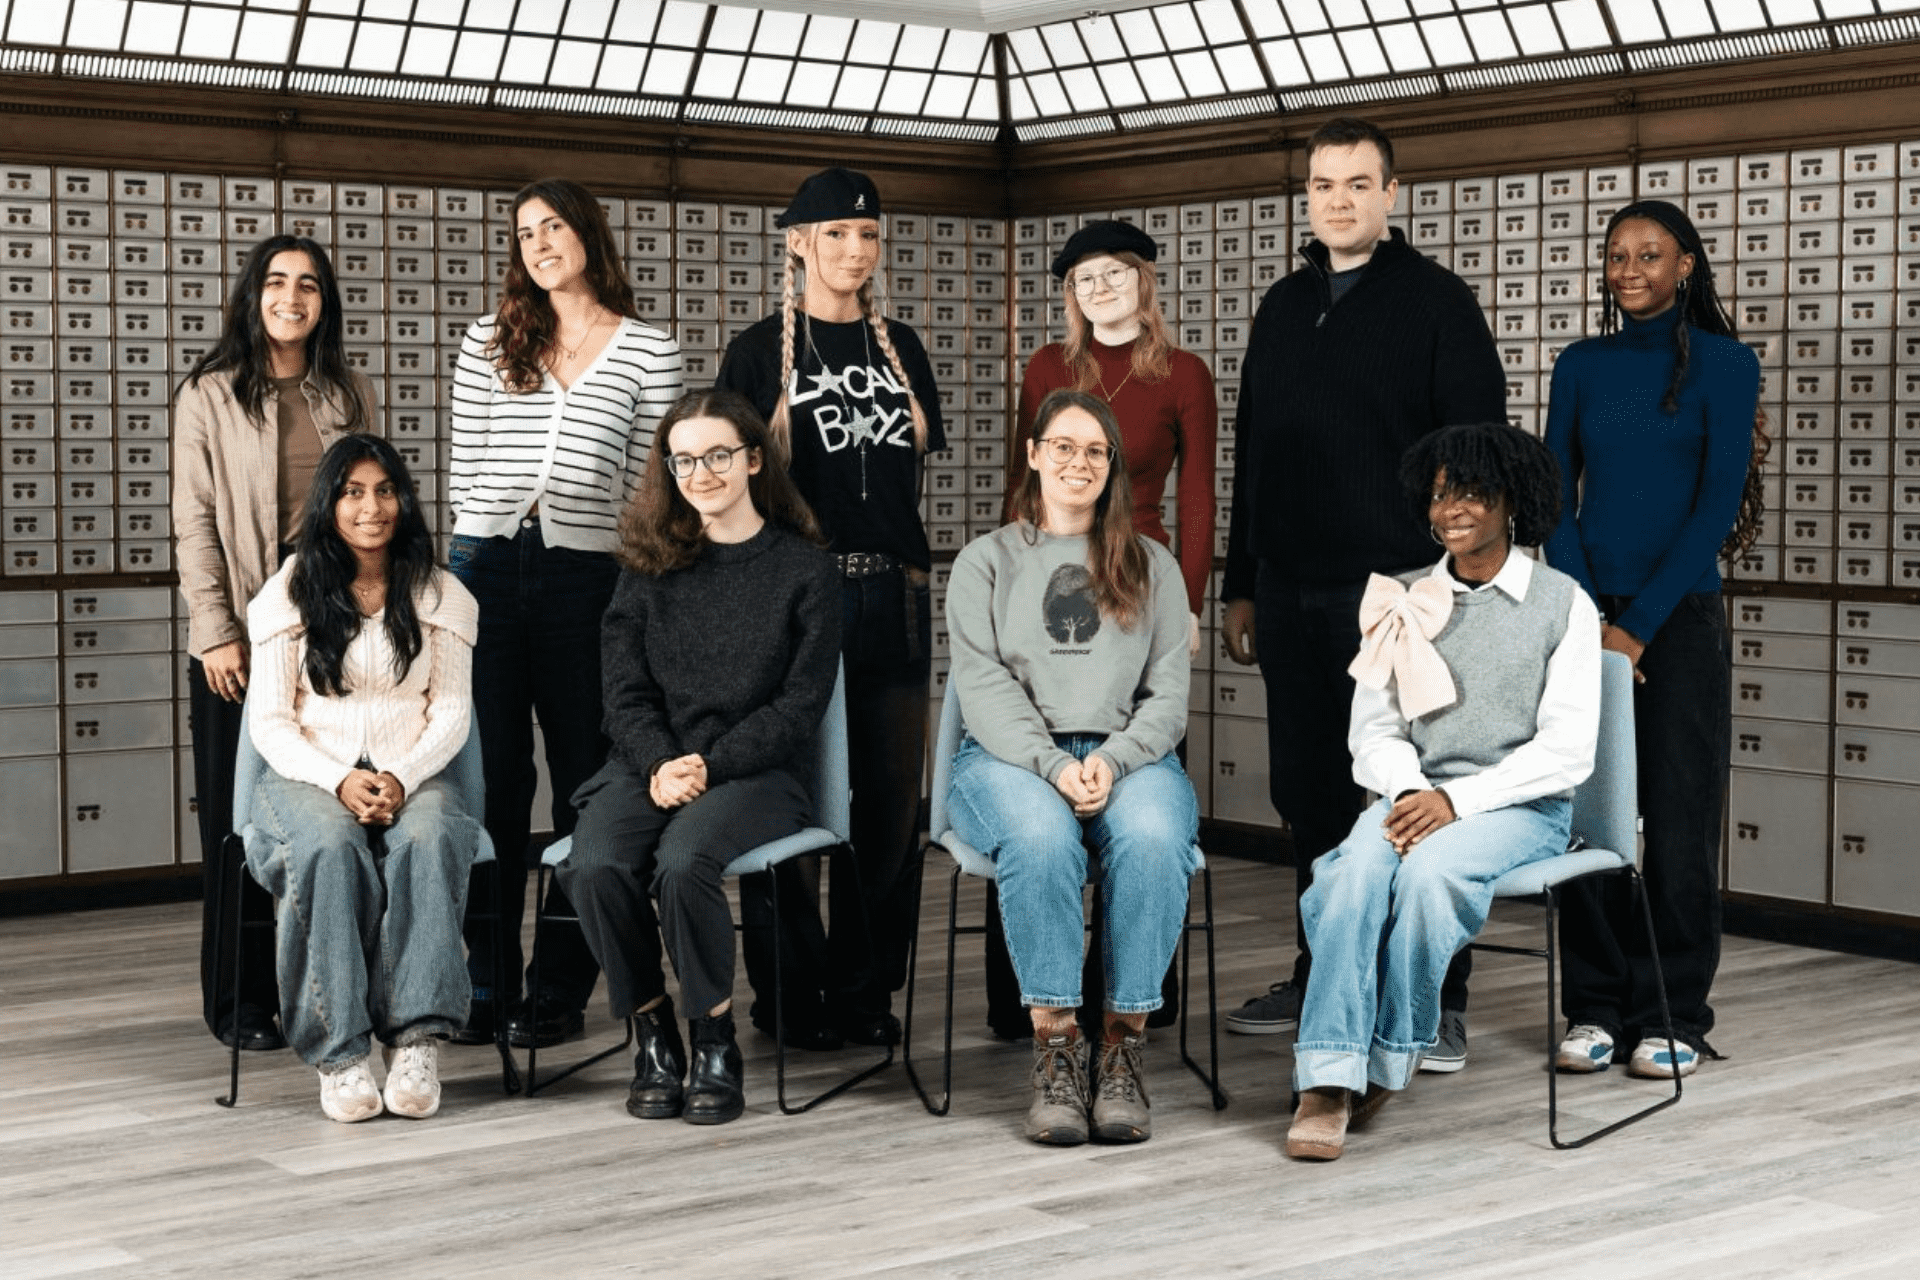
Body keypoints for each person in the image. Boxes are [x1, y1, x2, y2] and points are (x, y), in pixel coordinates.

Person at [1221, 116, 1505, 1070]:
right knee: (1308, 793)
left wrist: (1458, 587)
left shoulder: (1438, 305)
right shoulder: (1280, 305)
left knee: (1407, 790)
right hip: (1292, 593)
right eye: (1322, 185)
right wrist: (1241, 581)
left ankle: (1436, 995)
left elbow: (1475, 459)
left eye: (1357, 183)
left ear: (1392, 194)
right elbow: (1251, 453)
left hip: (1400, 596)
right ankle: (1321, 971)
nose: (1338, 200)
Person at [1286, 422, 1600, 1161]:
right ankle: (1328, 1076)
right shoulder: (1401, 598)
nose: (1452, 508)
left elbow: (1565, 752)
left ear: (1511, 499)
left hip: (1521, 810)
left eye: (1472, 491)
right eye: (1439, 494)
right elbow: (1375, 729)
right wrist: (1410, 790)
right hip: (1411, 794)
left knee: (1429, 876)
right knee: (1351, 874)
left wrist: (1457, 803)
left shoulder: (1564, 605)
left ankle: (1389, 1057)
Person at [557, 390, 840, 1126]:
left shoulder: (803, 570)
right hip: (649, 763)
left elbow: (798, 707)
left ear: (752, 459)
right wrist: (660, 763)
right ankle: (653, 1033)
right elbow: (622, 693)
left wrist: (709, 765)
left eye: (717, 455)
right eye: (683, 459)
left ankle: (713, 1035)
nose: (700, 472)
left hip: (758, 771)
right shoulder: (648, 564)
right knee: (592, 863)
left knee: (684, 863)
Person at [447, 178, 682, 1051]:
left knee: (587, 779)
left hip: (592, 578)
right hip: (486, 571)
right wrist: (464, 574)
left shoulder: (647, 350)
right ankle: (483, 981)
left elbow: (652, 486)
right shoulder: (487, 339)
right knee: (492, 782)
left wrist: (630, 580)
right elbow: (466, 465)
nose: (540, 242)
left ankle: (557, 986)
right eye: (525, 232)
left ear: (588, 234)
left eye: (554, 226)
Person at [716, 167, 943, 1050]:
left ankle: (862, 992)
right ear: (799, 242)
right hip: (794, 600)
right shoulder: (754, 350)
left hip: (894, 594)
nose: (856, 251)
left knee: (887, 808)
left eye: (869, 236)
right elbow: (728, 494)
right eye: (837, 235)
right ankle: (787, 993)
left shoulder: (902, 350)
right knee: (788, 796)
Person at [1545, 199, 1763, 1081]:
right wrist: (1591, 618)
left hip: (1678, 618)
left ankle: (1672, 1011)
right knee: (1590, 820)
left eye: (1650, 254)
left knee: (1676, 820)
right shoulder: (1581, 364)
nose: (1630, 268)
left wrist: (1635, 629)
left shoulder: (1725, 364)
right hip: (1584, 618)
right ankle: (1595, 1004)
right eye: (1616, 255)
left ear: (1686, 266)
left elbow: (1714, 508)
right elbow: (1553, 495)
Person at [946, 389, 1199, 1147]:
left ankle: (1121, 1050)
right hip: (1008, 758)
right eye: (1062, 446)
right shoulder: (986, 561)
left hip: (1131, 755)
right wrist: (1054, 765)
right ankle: (1057, 1048)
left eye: (1095, 450)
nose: (1078, 462)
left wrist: (1114, 760)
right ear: (1032, 454)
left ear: (1113, 464)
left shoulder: (1150, 564)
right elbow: (983, 690)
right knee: (1041, 840)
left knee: (1155, 839)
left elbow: (1169, 696)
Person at [987, 218, 1217, 1037]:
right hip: (1055, 562)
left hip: (1143, 575)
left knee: (1143, 782)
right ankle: (1027, 1001)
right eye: (1084, 278)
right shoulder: (1049, 366)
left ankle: (1137, 997)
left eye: (1116, 272)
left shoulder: (1184, 372)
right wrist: (1017, 578)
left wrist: (1186, 602)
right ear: (1071, 294)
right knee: (1034, 785)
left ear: (1144, 281)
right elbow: (1031, 477)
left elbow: (1196, 497)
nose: (1101, 288)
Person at [172, 234, 375, 1053]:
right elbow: (193, 521)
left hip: (332, 630)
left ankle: (328, 989)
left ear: (325, 303)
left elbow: (372, 501)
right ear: (252, 294)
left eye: (311, 286)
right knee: (237, 818)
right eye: (278, 283)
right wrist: (217, 631)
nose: (294, 298)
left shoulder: (348, 390)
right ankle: (239, 998)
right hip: (244, 639)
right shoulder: (209, 394)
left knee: (328, 814)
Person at [243, 434, 482, 1123]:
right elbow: (270, 724)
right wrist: (340, 779)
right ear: (330, 504)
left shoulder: (443, 593)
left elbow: (451, 713)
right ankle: (341, 1053)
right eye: (352, 492)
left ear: (403, 501)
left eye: (383, 490)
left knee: (432, 837)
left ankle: (416, 1041)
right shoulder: (288, 591)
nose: (370, 507)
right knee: (326, 847)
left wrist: (401, 777)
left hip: (413, 773)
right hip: (308, 775)